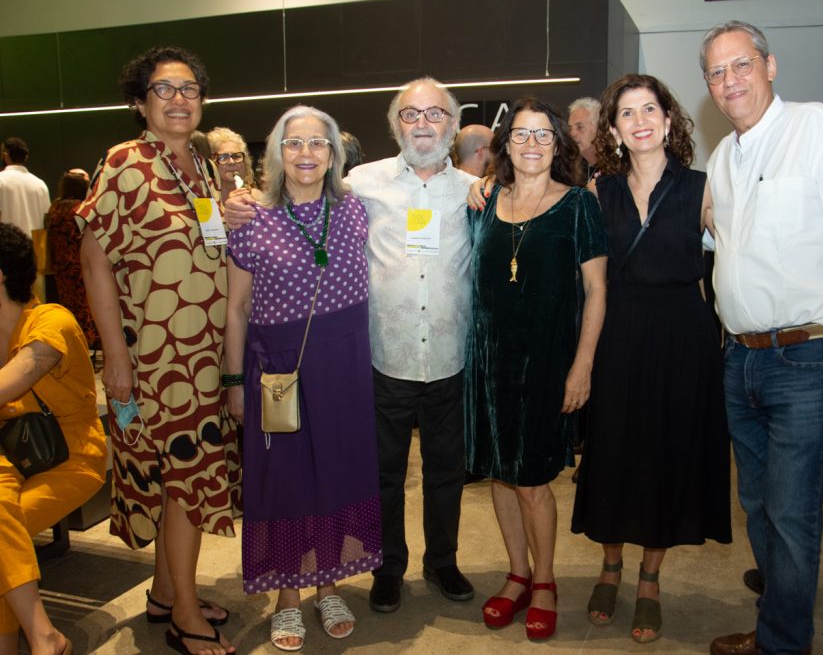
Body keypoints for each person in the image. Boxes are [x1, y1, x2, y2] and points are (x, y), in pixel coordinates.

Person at [227, 77, 477, 615]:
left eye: (436, 113)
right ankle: (387, 567)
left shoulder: (474, 190)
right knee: (378, 471)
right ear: (395, 125)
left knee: (446, 470)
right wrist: (238, 201)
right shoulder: (363, 184)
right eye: (411, 115)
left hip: (451, 355)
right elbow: (284, 203)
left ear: (453, 125)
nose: (424, 124)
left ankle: (444, 561)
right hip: (380, 358)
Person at [700, 21, 823, 655]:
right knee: (758, 506)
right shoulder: (725, 158)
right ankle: (777, 625)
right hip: (741, 359)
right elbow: (735, 243)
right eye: (716, 72)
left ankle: (782, 644)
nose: (729, 81)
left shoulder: (815, 128)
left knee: (790, 511)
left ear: (770, 65)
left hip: (808, 358)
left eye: (740, 65)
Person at [77, 46, 240, 655]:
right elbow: (95, 262)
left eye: (190, 88)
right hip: (155, 357)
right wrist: (114, 358)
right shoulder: (125, 162)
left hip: (202, 356)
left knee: (189, 474)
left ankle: (166, 595)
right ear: (140, 102)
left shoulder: (196, 165)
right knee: (184, 483)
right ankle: (186, 618)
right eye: (164, 89)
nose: (179, 99)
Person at [569, 74, 731, 644]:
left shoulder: (702, 188)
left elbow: (745, 252)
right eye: (627, 114)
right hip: (618, 335)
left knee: (666, 454)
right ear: (612, 129)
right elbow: (581, 272)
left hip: (683, 338)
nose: (639, 121)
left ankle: (649, 580)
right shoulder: (597, 191)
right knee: (613, 451)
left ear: (668, 119)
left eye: (650, 110)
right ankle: (610, 565)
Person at [224, 105, 381, 651]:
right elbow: (236, 310)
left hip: (343, 367)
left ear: (335, 153)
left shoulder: (358, 209)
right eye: (294, 143)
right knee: (285, 480)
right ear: (276, 153)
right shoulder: (250, 219)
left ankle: (327, 584)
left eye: (318, 143)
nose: (307, 153)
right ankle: (288, 595)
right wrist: (231, 382)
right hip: (277, 371)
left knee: (334, 473)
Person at [466, 97, 607, 642]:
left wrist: (583, 366)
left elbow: (596, 290)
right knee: (501, 472)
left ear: (558, 145)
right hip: (487, 361)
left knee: (531, 481)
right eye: (520, 135)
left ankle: (544, 581)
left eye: (542, 135)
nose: (530, 145)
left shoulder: (578, 206)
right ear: (505, 145)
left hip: (548, 362)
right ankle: (517, 572)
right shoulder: (482, 201)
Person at [0, 223, 107, 655]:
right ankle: (42, 637)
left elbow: (13, 381)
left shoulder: (51, 322)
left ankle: (38, 638)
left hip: (70, 457)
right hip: (11, 457)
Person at [45, 172, 98, 347]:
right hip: (82, 265)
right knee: (88, 306)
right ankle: (87, 343)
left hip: (61, 267)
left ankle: (72, 341)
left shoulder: (55, 208)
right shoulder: (82, 209)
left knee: (69, 306)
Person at [0, 138, 49, 235]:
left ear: (5, 155)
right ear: (26, 157)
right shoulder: (40, 184)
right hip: (35, 246)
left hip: (7, 245)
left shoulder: (1, 179)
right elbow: (46, 220)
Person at [206, 127, 256, 202]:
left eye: (236, 156)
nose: (232, 162)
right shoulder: (203, 198)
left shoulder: (258, 198)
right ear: (210, 163)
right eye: (223, 157)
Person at [567, 97, 600, 184]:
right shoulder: (569, 168)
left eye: (580, 127)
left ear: (598, 129)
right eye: (570, 128)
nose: (572, 134)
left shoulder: (615, 168)